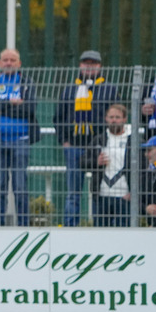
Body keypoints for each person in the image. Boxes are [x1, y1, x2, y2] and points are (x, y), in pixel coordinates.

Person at [55, 50, 118, 226]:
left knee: (100, 190)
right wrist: (64, 141)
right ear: (80, 66)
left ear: (100, 66)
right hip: (74, 146)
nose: (89, 66)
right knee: (73, 192)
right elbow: (59, 117)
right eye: (85, 62)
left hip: (100, 147)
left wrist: (108, 142)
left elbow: (117, 115)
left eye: (93, 63)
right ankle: (70, 227)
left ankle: (100, 226)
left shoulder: (109, 89)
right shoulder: (69, 90)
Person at [0, 49, 40, 227]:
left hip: (21, 139)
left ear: (19, 63)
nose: (8, 63)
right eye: (5, 60)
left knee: (20, 187)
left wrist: (0, 106)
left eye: (12, 60)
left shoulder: (27, 83)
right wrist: (11, 102)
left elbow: (30, 109)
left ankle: (23, 225)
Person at [82, 104, 133, 227]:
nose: (114, 120)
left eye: (117, 117)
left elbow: (142, 169)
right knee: (101, 235)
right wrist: (96, 162)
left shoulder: (133, 140)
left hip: (124, 197)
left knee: (124, 235)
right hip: (102, 196)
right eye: (111, 117)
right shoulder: (99, 140)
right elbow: (82, 163)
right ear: (106, 119)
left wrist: (134, 192)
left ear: (125, 119)